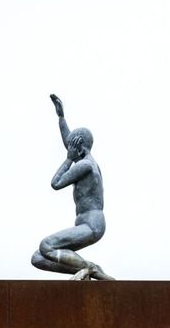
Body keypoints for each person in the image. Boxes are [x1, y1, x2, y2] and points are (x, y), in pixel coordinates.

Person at [30, 95, 113, 280]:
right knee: (38, 257)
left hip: (92, 225)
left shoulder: (85, 166)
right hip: (87, 223)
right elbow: (70, 143)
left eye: (73, 147)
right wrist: (61, 118)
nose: (69, 149)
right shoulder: (86, 160)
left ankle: (89, 268)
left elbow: (56, 183)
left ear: (80, 148)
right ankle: (84, 269)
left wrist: (68, 159)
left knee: (46, 246)